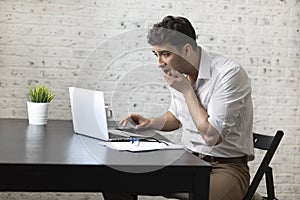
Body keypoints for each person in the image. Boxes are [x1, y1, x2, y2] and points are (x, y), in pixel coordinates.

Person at [103, 15, 254, 200]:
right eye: (156, 55)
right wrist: (150, 123)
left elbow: (212, 136)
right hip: (187, 161)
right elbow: (176, 117)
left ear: (187, 49)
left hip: (225, 168)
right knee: (114, 179)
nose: (159, 63)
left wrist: (187, 91)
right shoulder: (178, 73)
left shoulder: (229, 74)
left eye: (165, 54)